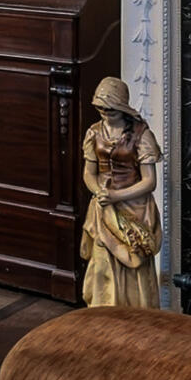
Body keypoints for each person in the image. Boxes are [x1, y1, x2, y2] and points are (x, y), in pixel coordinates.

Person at [80, 76, 163, 309]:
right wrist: (100, 193)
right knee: (102, 263)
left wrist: (117, 196)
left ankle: (135, 315)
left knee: (133, 260)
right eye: (100, 109)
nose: (105, 114)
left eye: (111, 110)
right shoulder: (94, 133)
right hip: (104, 207)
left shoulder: (141, 135)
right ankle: (103, 313)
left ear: (122, 107)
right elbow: (89, 173)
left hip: (133, 209)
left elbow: (149, 181)